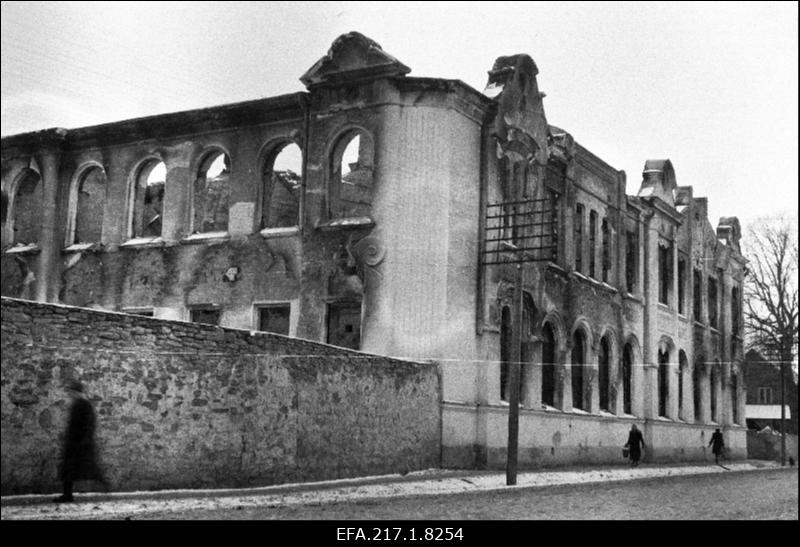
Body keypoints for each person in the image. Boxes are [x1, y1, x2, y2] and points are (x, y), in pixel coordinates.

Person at [53, 380, 107, 502]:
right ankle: (68, 494)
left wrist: (84, 440)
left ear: (76, 392)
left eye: (72, 391)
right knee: (70, 470)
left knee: (84, 468)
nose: (70, 394)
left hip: (79, 443)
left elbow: (89, 423)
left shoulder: (84, 404)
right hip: (74, 442)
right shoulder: (78, 404)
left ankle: (104, 486)